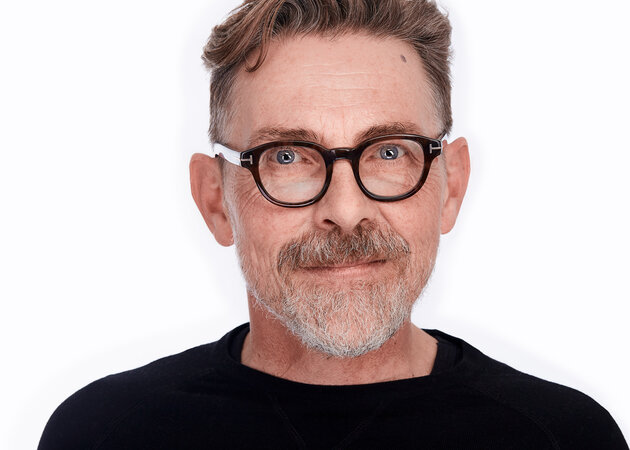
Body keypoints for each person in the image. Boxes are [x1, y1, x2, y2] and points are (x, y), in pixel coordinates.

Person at [39, 0, 628, 448]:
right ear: (215, 200)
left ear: (451, 186)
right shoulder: (102, 434)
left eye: (390, 152)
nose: (345, 212)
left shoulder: (565, 438)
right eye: (288, 157)